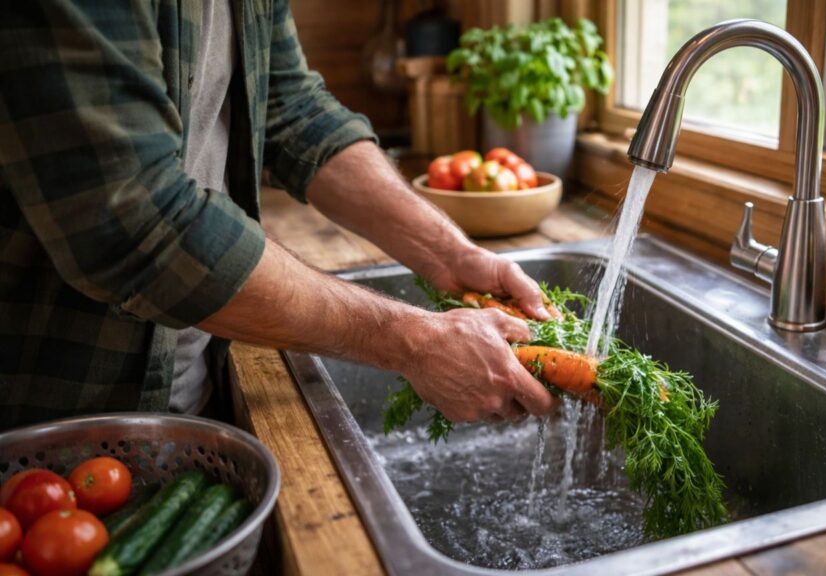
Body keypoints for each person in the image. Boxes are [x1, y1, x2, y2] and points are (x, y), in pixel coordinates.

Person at [0, 1, 557, 431]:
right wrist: (412, 341)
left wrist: (449, 253)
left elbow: (293, 108)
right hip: (50, 415)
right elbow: (137, 217)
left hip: (189, 383)